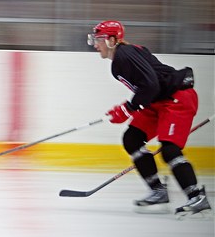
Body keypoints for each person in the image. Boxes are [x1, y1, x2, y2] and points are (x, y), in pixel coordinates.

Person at [88, 20, 211, 219]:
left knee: (170, 149)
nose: (95, 44)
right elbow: (148, 88)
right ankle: (158, 191)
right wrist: (126, 108)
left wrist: (128, 108)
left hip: (176, 98)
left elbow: (150, 85)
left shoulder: (124, 55)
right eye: (93, 39)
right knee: (132, 138)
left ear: (112, 40)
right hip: (158, 100)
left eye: (99, 39)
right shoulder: (120, 60)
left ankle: (196, 197)